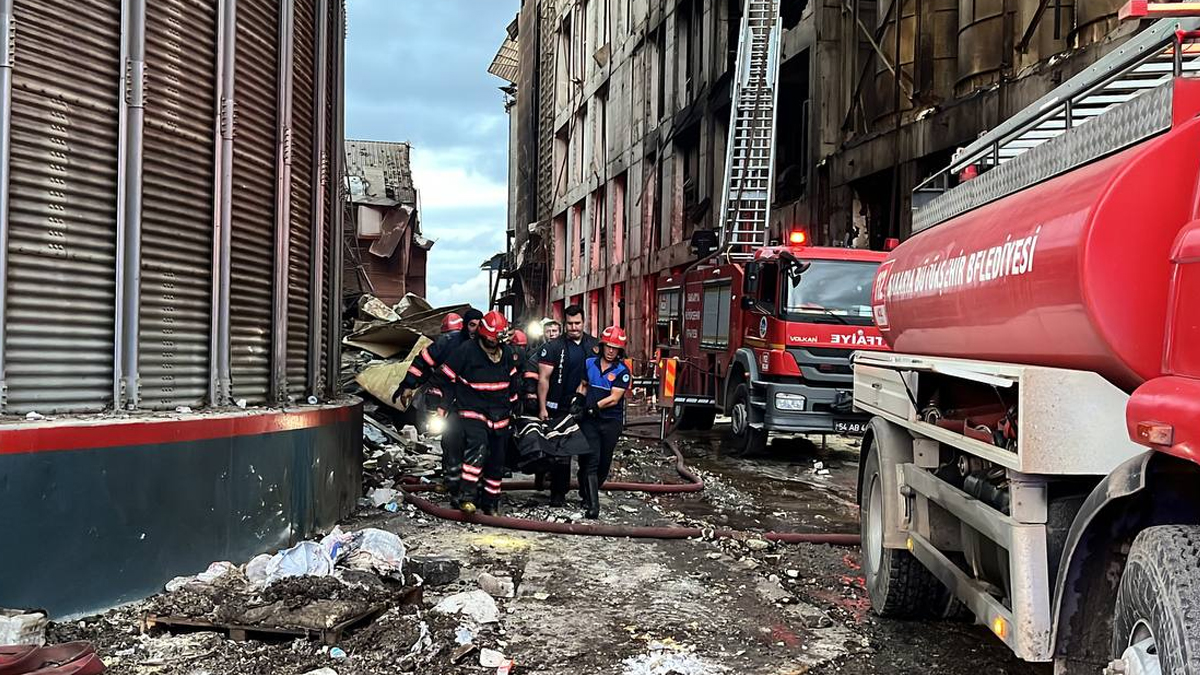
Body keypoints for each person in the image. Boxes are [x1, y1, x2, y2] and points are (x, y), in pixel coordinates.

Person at [438, 311, 522, 515]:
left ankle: (491, 502)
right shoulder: (466, 351)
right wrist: (442, 405)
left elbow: (512, 382)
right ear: (484, 334)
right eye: (494, 338)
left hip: (500, 412)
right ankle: (466, 497)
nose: (496, 343)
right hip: (472, 409)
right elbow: (446, 377)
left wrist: (515, 406)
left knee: (497, 458)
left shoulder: (508, 353)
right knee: (478, 448)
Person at [394, 308, 484, 494]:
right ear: (465, 325)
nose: (475, 329)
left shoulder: (486, 346)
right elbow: (423, 362)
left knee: (477, 445)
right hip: (450, 402)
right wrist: (409, 385)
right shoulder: (449, 343)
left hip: (476, 404)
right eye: (472, 325)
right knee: (451, 441)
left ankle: (474, 485)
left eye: (479, 325)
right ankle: (451, 482)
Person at [536, 305, 599, 506]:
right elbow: (543, 379)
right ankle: (558, 494)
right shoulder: (554, 347)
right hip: (559, 407)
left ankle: (587, 496)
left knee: (588, 453)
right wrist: (542, 407)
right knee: (561, 455)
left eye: (577, 323)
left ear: (584, 322)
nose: (574, 327)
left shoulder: (594, 346)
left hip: (586, 407)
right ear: (565, 324)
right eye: (570, 324)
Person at [576, 325, 631, 519]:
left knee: (604, 463)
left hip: (611, 422)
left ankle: (587, 491)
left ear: (620, 350)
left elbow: (614, 398)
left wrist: (594, 406)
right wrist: (578, 401)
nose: (610, 350)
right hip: (590, 421)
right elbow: (583, 385)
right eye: (608, 346)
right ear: (602, 345)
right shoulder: (589, 363)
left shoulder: (623, 371)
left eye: (614, 348)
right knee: (591, 459)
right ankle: (592, 505)